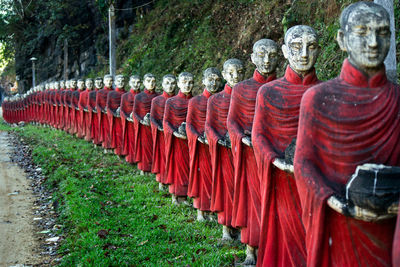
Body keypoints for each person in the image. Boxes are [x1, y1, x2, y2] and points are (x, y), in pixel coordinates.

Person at [294, 2, 400, 266]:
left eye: (383, 32)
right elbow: (304, 164)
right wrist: (341, 204)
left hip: (393, 226)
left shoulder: (397, 99)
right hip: (339, 224)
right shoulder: (318, 98)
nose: (374, 42)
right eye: (362, 32)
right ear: (342, 39)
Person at [253, 25, 320, 267]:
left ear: (319, 50)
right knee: (286, 242)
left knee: (316, 239)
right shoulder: (268, 92)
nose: (304, 54)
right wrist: (277, 160)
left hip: (317, 182)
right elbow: (258, 135)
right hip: (282, 178)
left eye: (311, 46)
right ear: (284, 51)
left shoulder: (327, 93)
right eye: (296, 47)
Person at [227, 39, 278, 265]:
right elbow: (232, 122)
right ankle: (251, 250)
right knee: (253, 202)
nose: (266, 60)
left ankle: (275, 249)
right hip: (249, 155)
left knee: (276, 204)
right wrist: (244, 138)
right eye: (261, 54)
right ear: (252, 58)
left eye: (272, 55)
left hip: (277, 156)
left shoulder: (283, 86)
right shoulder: (241, 89)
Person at [206, 58, 245, 240]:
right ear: (223, 75)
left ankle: (242, 228)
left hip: (244, 152)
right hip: (223, 151)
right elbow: (209, 127)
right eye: (230, 73)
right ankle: (225, 229)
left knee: (242, 190)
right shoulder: (215, 100)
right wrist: (220, 140)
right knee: (225, 188)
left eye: (239, 72)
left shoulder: (249, 96)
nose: (235, 76)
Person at [187, 67, 223, 221]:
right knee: (203, 177)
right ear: (202, 81)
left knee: (217, 178)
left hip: (218, 145)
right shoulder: (195, 101)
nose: (213, 83)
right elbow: (189, 125)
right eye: (210, 79)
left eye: (216, 80)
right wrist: (198, 137)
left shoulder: (223, 100)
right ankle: (201, 210)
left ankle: (214, 209)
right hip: (201, 145)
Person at [163, 72, 193, 205]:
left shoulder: (195, 101)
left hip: (191, 140)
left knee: (190, 168)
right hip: (176, 140)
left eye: (190, 82)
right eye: (184, 82)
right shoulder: (171, 102)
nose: (187, 85)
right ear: (179, 84)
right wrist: (174, 132)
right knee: (177, 167)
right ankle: (176, 195)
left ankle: (186, 195)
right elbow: (166, 122)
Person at [150, 74, 176, 188]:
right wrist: (159, 127)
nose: (170, 86)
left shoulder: (176, 100)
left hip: (175, 134)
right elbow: (153, 118)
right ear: (162, 85)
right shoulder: (157, 100)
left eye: (172, 83)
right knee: (162, 156)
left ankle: (172, 181)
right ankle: (162, 180)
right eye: (167, 83)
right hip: (161, 134)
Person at [132, 73, 159, 172]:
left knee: (155, 148)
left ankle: (155, 168)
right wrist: (142, 120)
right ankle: (144, 168)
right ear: (144, 83)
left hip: (156, 127)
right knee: (145, 147)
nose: (151, 84)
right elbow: (135, 113)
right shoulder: (139, 97)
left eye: (153, 81)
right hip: (144, 127)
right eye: (148, 81)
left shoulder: (158, 96)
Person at [120, 75, 141, 163]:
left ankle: (140, 160)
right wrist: (128, 117)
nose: (136, 84)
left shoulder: (142, 95)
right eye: (133, 82)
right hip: (129, 123)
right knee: (131, 141)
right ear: (129, 83)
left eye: (138, 82)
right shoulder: (125, 96)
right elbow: (122, 110)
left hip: (141, 123)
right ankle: (131, 159)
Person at [107, 75, 126, 155]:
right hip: (115, 118)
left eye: (122, 81)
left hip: (125, 118)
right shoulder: (111, 94)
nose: (120, 83)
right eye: (118, 81)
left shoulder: (126, 94)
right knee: (117, 135)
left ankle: (124, 152)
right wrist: (114, 113)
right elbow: (108, 107)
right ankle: (117, 152)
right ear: (115, 83)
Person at [96, 74, 114, 151]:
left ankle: (113, 146)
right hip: (104, 114)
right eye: (107, 81)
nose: (109, 82)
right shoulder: (100, 92)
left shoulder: (114, 91)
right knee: (105, 130)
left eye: (110, 81)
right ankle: (106, 147)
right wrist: (103, 110)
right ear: (104, 82)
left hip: (112, 114)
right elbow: (98, 104)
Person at [87, 77, 103, 145]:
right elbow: (89, 104)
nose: (99, 84)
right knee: (95, 127)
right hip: (94, 113)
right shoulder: (92, 93)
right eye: (97, 83)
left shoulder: (104, 93)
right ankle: (96, 142)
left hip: (103, 113)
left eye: (100, 83)